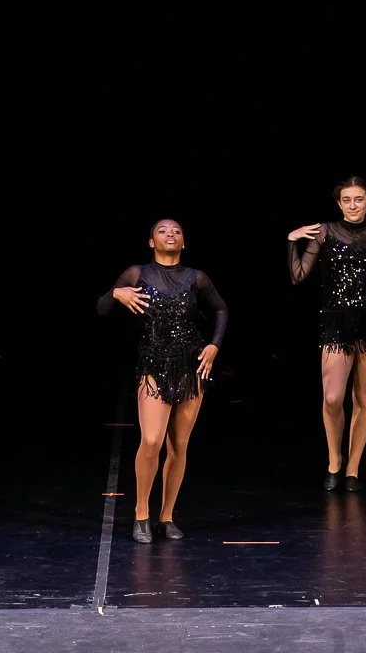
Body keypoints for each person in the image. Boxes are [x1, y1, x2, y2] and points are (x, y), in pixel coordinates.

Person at [97, 219, 229, 544]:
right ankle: (142, 512)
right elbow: (102, 309)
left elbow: (222, 309)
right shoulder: (137, 274)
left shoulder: (196, 278)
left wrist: (213, 345)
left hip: (190, 367)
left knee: (179, 445)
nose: (170, 234)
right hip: (153, 366)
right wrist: (116, 292)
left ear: (183, 243)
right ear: (151, 241)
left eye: (177, 231)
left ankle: (166, 516)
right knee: (152, 439)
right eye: (163, 230)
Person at [288, 176, 366, 492]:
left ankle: (353, 469)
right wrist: (293, 241)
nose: (353, 205)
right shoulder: (325, 233)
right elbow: (298, 276)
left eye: (359, 199)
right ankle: (334, 460)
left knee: (364, 397)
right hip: (335, 323)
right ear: (339, 203)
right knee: (332, 397)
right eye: (347, 199)